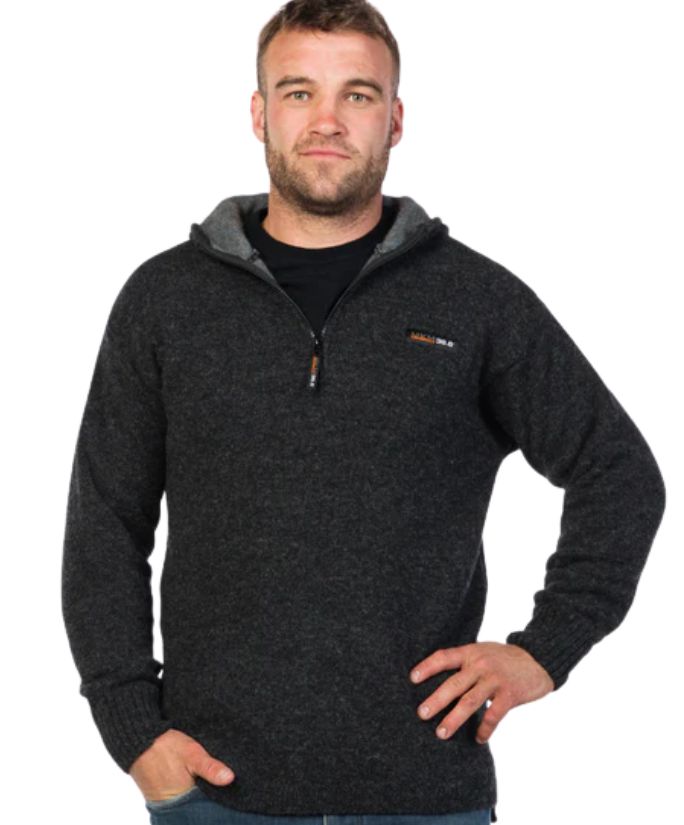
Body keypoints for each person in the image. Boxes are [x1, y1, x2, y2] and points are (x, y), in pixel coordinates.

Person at [60, 1, 666, 823]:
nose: (327, 120)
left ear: (395, 119)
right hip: (215, 792)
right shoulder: (165, 300)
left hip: (425, 795)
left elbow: (619, 473)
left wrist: (543, 650)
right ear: (259, 113)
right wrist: (133, 729)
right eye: (299, 92)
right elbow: (105, 522)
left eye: (358, 94)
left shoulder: (475, 300)